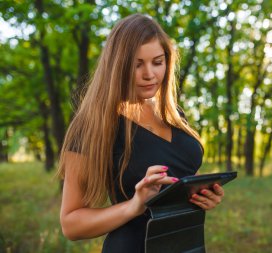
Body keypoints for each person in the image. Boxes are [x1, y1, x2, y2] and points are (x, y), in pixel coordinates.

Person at [57, 13, 225, 253]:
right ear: (117, 66)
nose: (150, 74)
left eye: (157, 62)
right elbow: (71, 224)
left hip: (187, 245)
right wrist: (134, 205)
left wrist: (200, 195)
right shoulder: (93, 124)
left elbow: (180, 179)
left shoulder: (174, 115)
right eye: (137, 65)